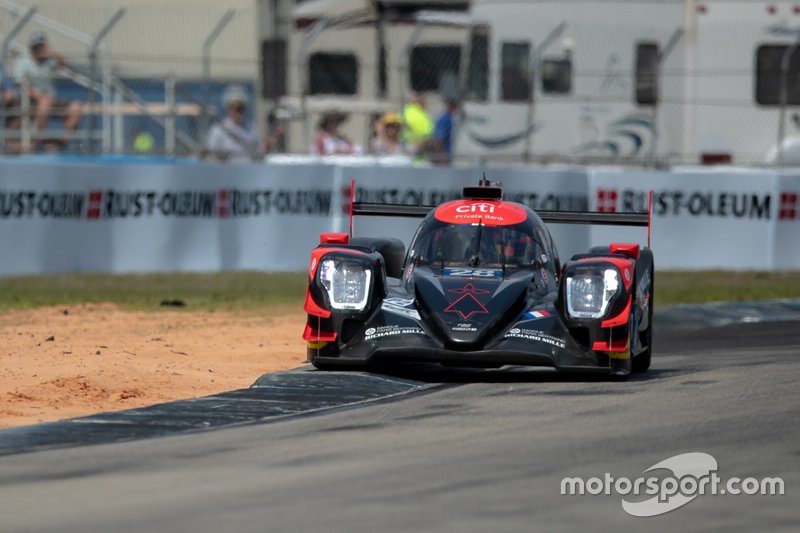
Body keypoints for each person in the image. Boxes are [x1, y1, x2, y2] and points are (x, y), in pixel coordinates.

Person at [14, 32, 82, 139]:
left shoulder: (49, 60)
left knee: (76, 107)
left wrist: (52, 53)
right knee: (45, 101)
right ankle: (36, 139)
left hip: (49, 99)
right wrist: (39, 96)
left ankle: (60, 143)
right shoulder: (23, 61)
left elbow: (64, 64)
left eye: (41, 46)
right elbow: (21, 84)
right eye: (36, 47)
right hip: (29, 100)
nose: (39, 50)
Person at [206, 85, 284, 163]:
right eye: (236, 109)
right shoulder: (219, 130)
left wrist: (276, 135)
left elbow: (260, 149)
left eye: (241, 108)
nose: (239, 113)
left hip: (247, 170)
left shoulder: (251, 128)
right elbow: (212, 155)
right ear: (229, 109)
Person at [428, 98, 459, 165]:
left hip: (446, 156)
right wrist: (440, 158)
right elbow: (439, 140)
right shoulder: (445, 119)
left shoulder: (447, 118)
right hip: (444, 157)